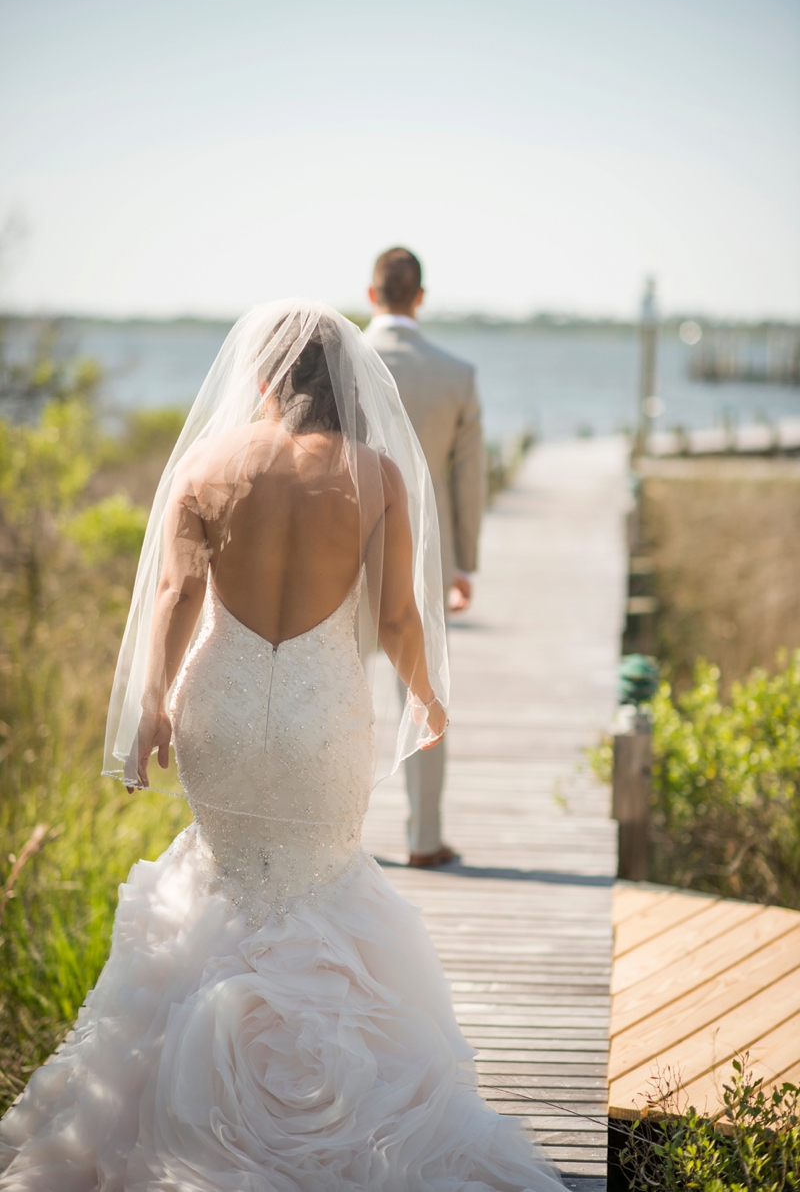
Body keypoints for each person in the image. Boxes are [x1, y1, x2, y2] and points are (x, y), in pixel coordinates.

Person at [0, 302, 561, 1192]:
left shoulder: (208, 462)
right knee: (315, 877)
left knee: (226, 876)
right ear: (342, 382)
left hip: (216, 707)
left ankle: (175, 1112)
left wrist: (151, 704)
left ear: (259, 376)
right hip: (319, 714)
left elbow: (176, 595)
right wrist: (426, 691)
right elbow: (396, 615)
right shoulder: (373, 472)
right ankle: (323, 1109)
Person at [365, 248, 484, 868]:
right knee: (425, 686)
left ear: (370, 293)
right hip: (426, 555)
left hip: (343, 551)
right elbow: (468, 478)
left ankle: (334, 836)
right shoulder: (456, 374)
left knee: (339, 684)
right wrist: (464, 564)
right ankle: (423, 839)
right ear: (420, 297)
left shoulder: (340, 363)